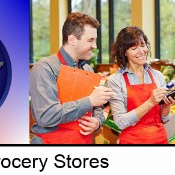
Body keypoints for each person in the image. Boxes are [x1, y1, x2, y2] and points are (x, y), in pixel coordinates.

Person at [29, 12, 113, 144]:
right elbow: (46, 116)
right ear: (72, 40)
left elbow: (97, 107)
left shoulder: (87, 70)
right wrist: (89, 101)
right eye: (90, 40)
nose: (95, 46)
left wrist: (97, 122)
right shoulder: (44, 68)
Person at [107, 26, 175, 144]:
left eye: (143, 45)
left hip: (160, 139)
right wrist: (150, 102)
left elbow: (164, 118)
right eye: (134, 48)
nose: (141, 51)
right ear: (125, 52)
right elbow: (120, 122)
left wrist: (166, 106)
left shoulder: (157, 75)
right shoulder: (116, 80)